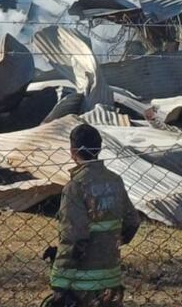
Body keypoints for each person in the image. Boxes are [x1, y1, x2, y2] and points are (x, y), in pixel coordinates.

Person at [46, 124, 140, 307]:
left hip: (82, 284)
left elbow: (74, 237)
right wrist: (110, 242)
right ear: (99, 148)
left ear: (73, 151)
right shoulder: (114, 181)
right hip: (111, 278)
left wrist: (60, 282)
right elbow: (132, 221)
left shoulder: (75, 187)